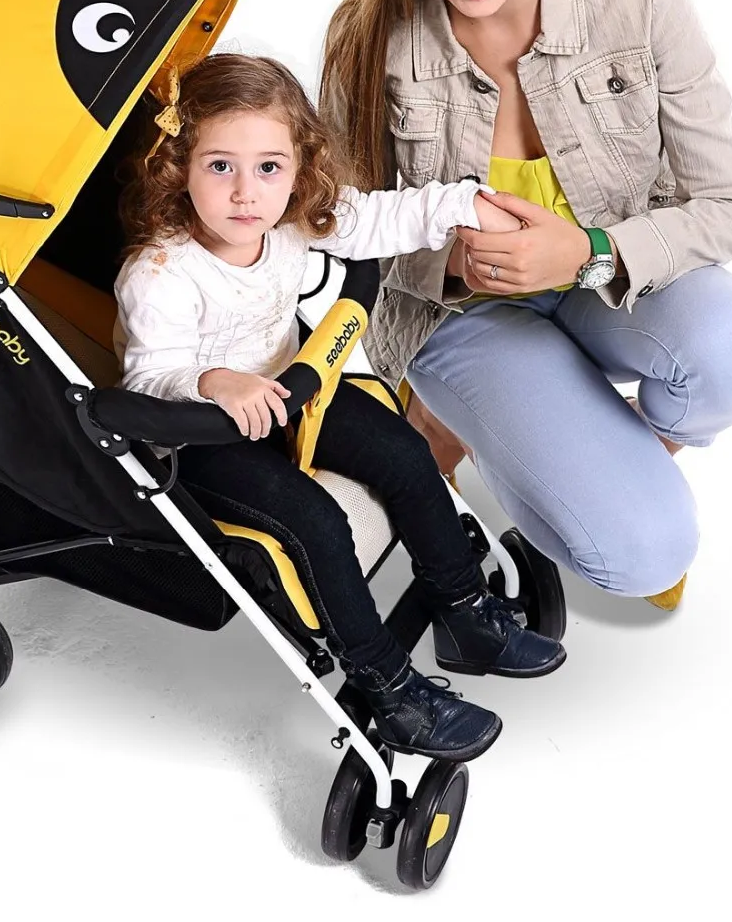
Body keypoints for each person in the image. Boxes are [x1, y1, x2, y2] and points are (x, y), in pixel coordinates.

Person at [320, 0, 732, 606]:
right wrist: (456, 266)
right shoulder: (368, 35)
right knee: (645, 557)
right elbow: (339, 237)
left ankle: (603, 464)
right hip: (461, 314)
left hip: (612, 281)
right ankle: (466, 419)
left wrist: (591, 252)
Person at [113, 52, 566, 764]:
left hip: (291, 395)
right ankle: (388, 687)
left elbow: (384, 217)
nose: (246, 193)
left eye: (269, 167)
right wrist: (214, 382)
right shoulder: (161, 272)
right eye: (220, 166)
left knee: (406, 452)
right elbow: (148, 378)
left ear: (299, 170)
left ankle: (465, 611)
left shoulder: (293, 220)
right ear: (179, 169)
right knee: (318, 522)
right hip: (202, 439)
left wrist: (463, 206)